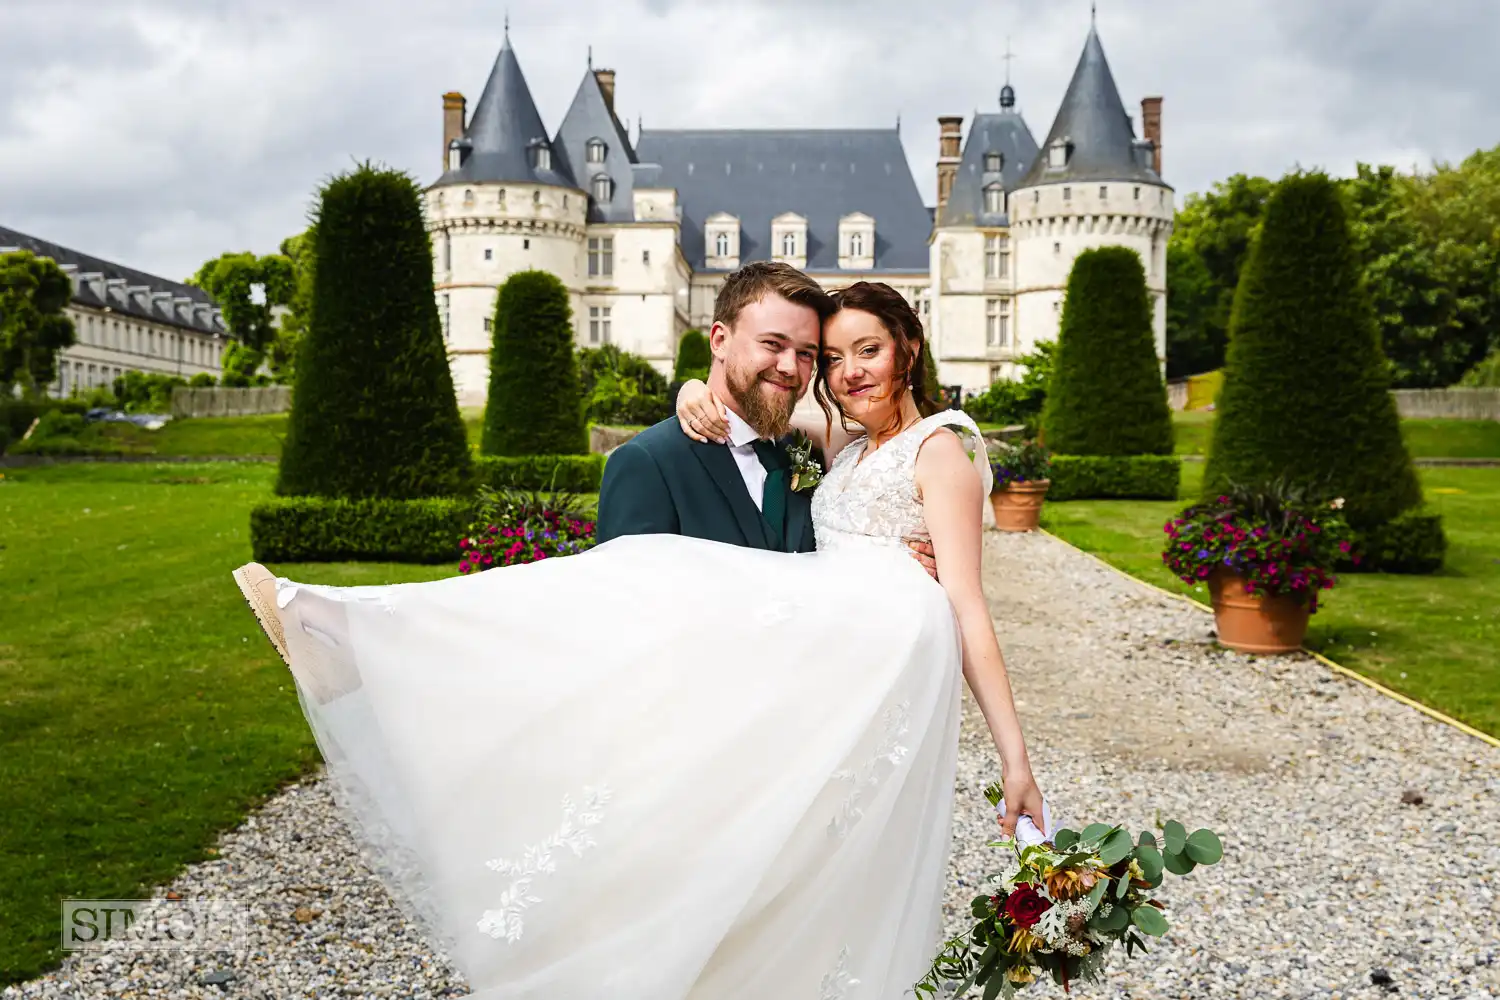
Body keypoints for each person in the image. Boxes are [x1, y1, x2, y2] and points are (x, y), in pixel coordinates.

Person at [229, 264, 1042, 999]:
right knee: (636, 575)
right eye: (828, 357)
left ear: (910, 346)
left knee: (820, 880)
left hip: (868, 650)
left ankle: (363, 632)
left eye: (855, 351)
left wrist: (1014, 756)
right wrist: (696, 386)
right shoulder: (839, 444)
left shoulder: (933, 446)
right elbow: (625, 611)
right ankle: (360, 632)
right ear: (726, 341)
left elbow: (969, 605)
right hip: (794, 673)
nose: (832, 372)